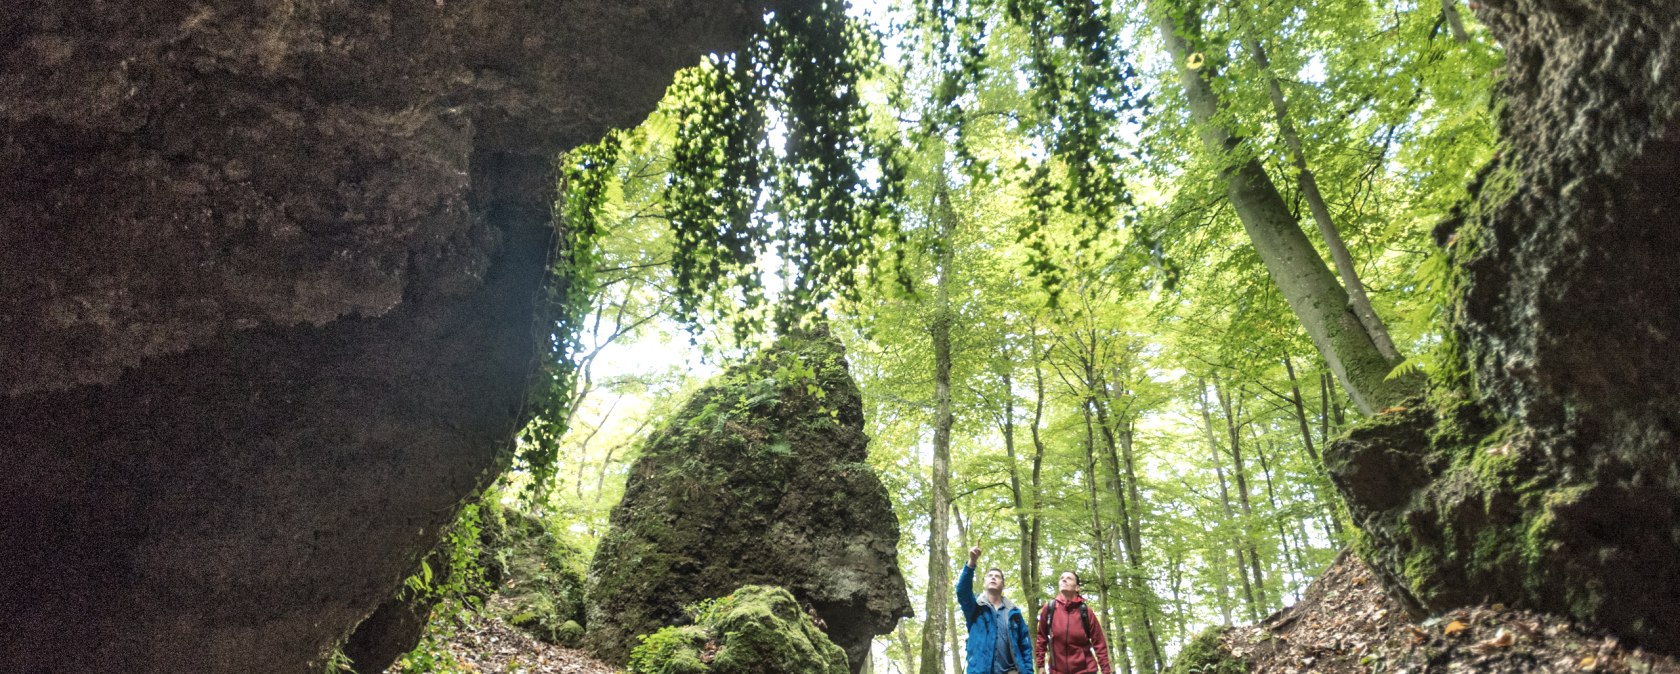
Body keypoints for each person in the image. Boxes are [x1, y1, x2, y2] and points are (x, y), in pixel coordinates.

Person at [957, 546, 1034, 674]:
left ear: (1002, 584)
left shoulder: (1014, 613)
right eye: (990, 576)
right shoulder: (975, 608)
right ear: (984, 582)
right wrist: (971, 562)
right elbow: (962, 591)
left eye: (997, 576)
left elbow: (1025, 647)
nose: (993, 578)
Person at [1034, 570, 1113, 674]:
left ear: (1077, 588)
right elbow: (1041, 638)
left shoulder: (1086, 612)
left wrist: (1106, 670)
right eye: (1061, 578)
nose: (1064, 580)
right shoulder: (1049, 609)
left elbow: (1099, 643)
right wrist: (1040, 665)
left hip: (1085, 670)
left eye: (1069, 578)